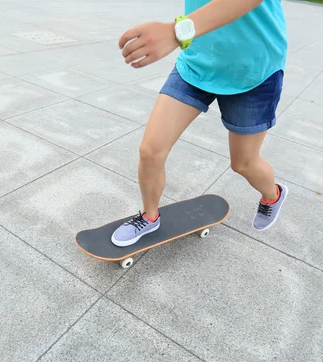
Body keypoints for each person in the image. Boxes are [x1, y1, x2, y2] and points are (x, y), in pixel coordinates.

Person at [111, 0, 288, 247]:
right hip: (197, 63)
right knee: (150, 151)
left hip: (254, 71)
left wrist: (176, 32)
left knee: (244, 164)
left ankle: (273, 195)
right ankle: (149, 216)